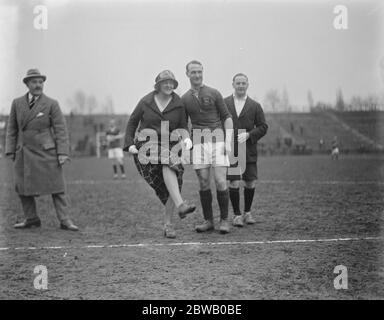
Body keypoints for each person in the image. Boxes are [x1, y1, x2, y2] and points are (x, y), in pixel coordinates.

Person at [124, 70, 195, 238]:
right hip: (146, 146)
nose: (169, 85)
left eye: (171, 82)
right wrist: (129, 145)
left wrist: (187, 139)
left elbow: (183, 126)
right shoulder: (145, 102)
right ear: (158, 85)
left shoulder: (178, 104)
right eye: (165, 82)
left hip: (170, 145)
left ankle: (168, 225)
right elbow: (132, 123)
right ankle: (181, 205)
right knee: (167, 159)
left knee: (174, 182)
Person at [5, 68, 78, 231]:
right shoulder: (17, 103)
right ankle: (31, 218)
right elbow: (12, 128)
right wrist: (10, 149)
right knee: (22, 186)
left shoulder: (51, 103)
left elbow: (60, 129)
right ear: (27, 84)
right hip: (23, 152)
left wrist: (63, 153)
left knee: (57, 187)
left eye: (40, 82)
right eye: (34, 82)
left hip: (47, 152)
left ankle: (65, 220)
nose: (38, 85)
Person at [181, 60, 233, 234]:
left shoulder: (214, 92)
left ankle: (224, 220)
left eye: (199, 72)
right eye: (193, 72)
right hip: (199, 143)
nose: (197, 75)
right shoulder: (185, 99)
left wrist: (228, 141)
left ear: (202, 72)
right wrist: (187, 142)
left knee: (220, 180)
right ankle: (208, 220)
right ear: (187, 74)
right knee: (203, 182)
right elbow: (182, 124)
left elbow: (227, 117)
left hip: (218, 140)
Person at [225, 73, 268, 227]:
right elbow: (218, 124)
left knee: (250, 183)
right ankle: (236, 215)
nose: (241, 86)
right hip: (232, 151)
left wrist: (250, 134)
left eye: (243, 83)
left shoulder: (255, 106)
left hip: (249, 150)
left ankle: (247, 212)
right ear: (233, 84)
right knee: (234, 182)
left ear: (248, 85)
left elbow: (263, 127)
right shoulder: (224, 103)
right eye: (238, 83)